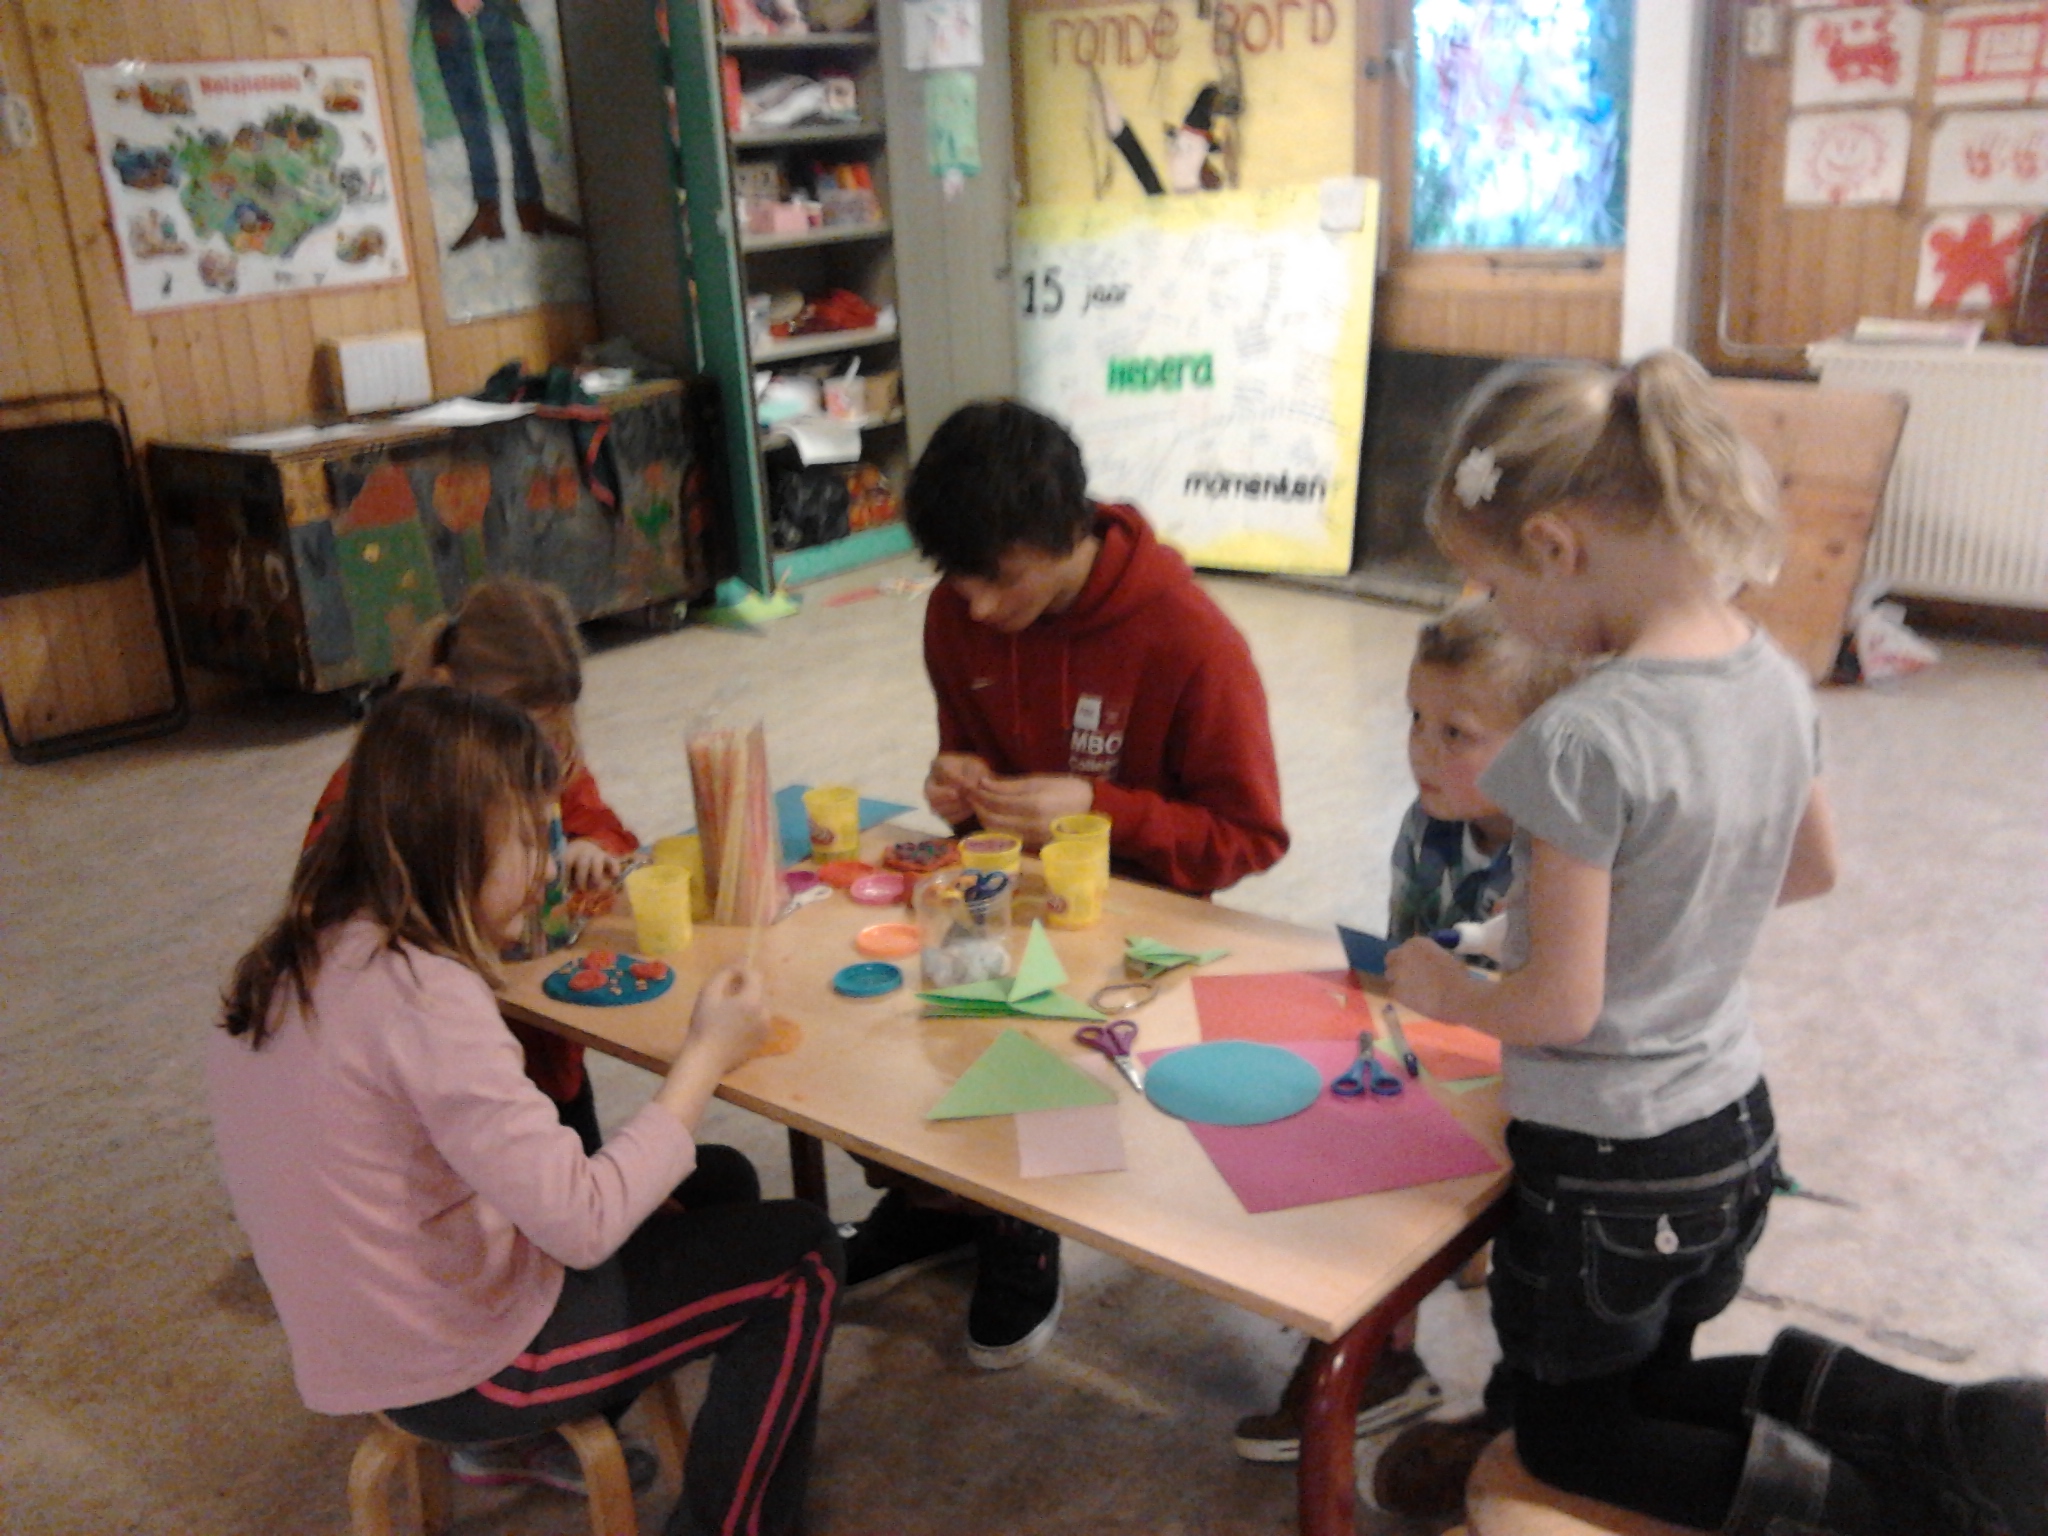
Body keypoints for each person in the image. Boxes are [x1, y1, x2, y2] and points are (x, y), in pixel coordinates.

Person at [1377, 350, 2045, 1534]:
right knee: (1646, 1385)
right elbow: (1811, 868)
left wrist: (1442, 985)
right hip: (1732, 1129)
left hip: (1609, 1161)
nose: (1496, 616)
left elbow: (1559, 1008)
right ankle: (1943, 1428)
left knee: (1576, 1435)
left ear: (1553, 548)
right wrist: (1674, 918)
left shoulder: (1577, 736)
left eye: (1492, 584)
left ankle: (1869, 1515)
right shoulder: (1771, 673)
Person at [213, 688, 841, 1535]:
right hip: (462, 1365)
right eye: (527, 839)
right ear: (454, 842)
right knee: (803, 1251)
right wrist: (704, 1056)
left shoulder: (290, 956)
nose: (546, 867)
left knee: (718, 1177)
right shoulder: (426, 996)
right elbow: (584, 1225)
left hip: (360, 1337)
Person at [838, 399, 1290, 1371]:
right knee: (861, 1011)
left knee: (1031, 1037)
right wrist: (957, 786)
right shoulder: (957, 613)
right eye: (954, 577)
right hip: (1004, 895)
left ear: (1061, 537)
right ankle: (934, 1201)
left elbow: (1249, 838)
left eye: (996, 579)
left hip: (1141, 923)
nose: (974, 606)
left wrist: (1098, 808)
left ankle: (1018, 1224)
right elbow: (969, 784)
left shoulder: (1191, 640)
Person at [1235, 599, 1574, 1465]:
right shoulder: (1428, 823)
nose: (1422, 749)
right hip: (1445, 1048)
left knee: (1384, 1162)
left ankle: (1378, 1355)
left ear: (1540, 745)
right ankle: (1397, 1307)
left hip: (1537, 1077)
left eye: (1456, 732)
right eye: (1416, 719)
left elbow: (1548, 1007)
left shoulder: (1564, 852)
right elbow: (1404, 958)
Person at [306, 576, 633, 1158]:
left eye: (547, 727)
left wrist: (593, 844)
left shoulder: (545, 751)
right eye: (516, 723)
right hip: (454, 1055)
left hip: (543, 1031)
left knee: (579, 1148)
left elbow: (604, 826)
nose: (533, 745)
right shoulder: (370, 793)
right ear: (446, 689)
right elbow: (329, 930)